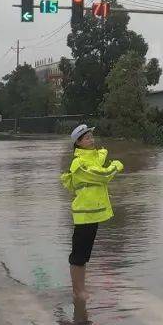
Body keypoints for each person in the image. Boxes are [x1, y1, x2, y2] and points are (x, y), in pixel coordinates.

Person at [60, 124, 123, 302]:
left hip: (93, 215)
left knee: (84, 255)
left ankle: (81, 289)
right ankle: (77, 291)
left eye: (91, 136)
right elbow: (102, 175)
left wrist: (103, 153)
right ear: (78, 143)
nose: (91, 140)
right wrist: (116, 166)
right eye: (87, 138)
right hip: (84, 215)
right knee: (78, 255)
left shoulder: (91, 158)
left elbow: (98, 158)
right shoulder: (79, 163)